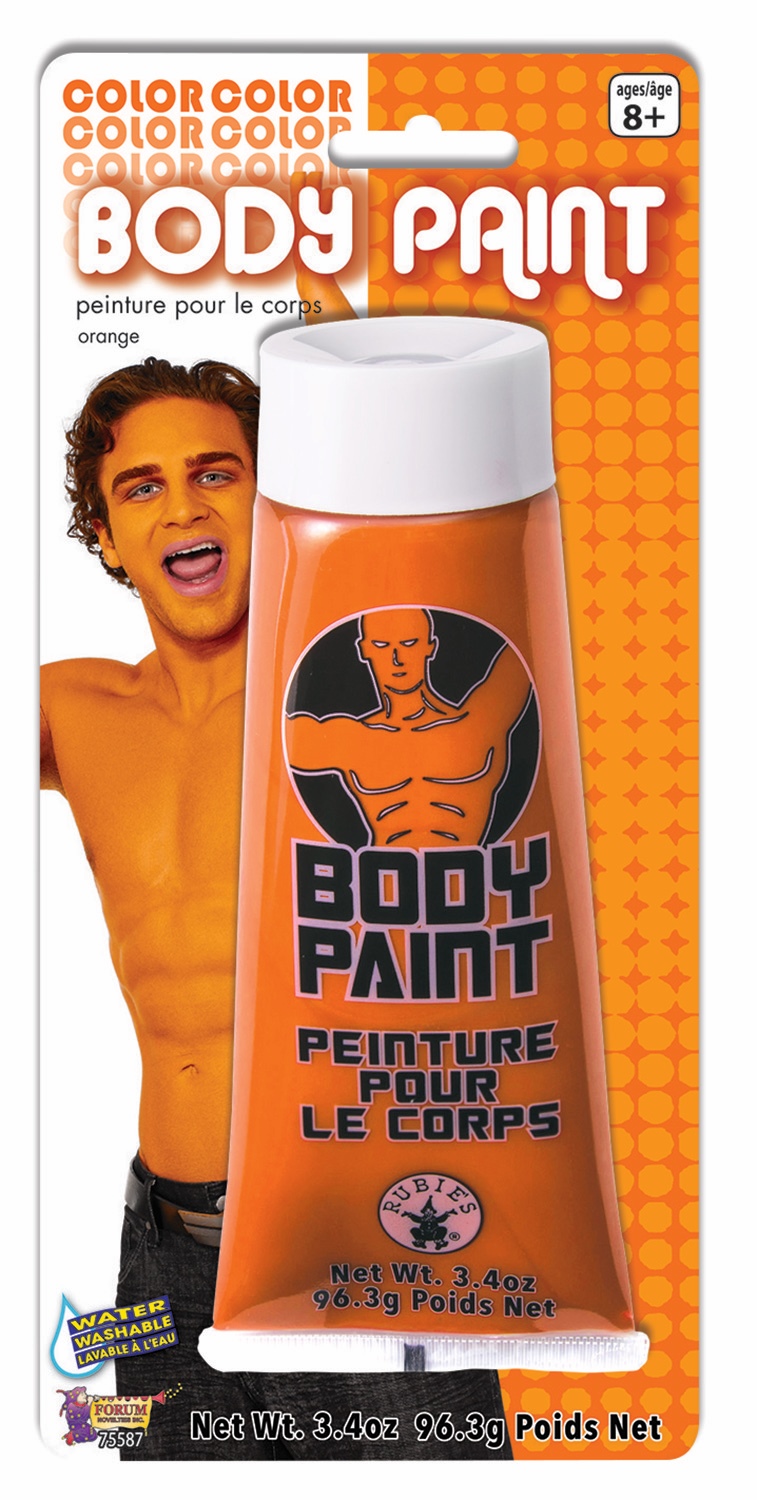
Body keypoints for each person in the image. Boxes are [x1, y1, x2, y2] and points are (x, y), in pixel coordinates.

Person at [41, 357, 512, 1462]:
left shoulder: (354, 706)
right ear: (107, 537)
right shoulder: (71, 706)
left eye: (217, 474)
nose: (183, 507)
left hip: (372, 1231)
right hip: (165, 1252)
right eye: (142, 487)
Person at [287, 605, 535, 848]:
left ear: (430, 646)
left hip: (476, 869)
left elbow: (533, 635)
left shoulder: (479, 722)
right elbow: (274, 743)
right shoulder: (351, 738)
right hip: (382, 872)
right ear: (364, 650)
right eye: (382, 645)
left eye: (409, 643)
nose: (397, 659)